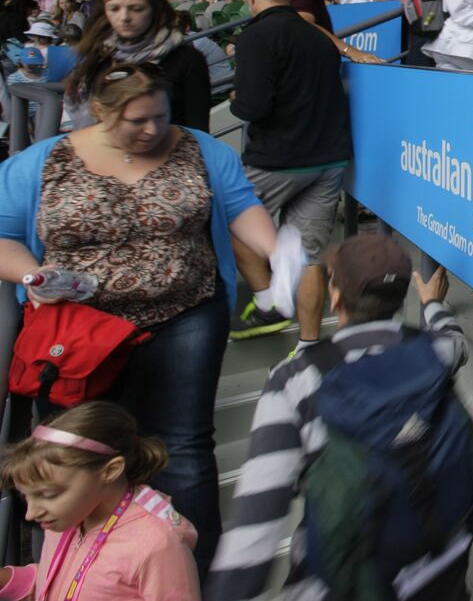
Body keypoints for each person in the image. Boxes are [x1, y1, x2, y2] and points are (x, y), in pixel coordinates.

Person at [0, 64, 279, 578]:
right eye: (136, 121)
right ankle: (75, 573)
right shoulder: (44, 161)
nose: (152, 130)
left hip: (186, 314)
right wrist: (35, 275)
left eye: (160, 117)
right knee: (72, 451)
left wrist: (279, 254)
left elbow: (241, 206)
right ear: (102, 112)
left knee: (186, 444)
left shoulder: (200, 149)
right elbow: (4, 233)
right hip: (79, 333)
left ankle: (192, 573)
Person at [207, 235, 471, 601]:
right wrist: (431, 304)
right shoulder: (436, 353)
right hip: (435, 577)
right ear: (397, 299)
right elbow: (454, 338)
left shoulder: (293, 380)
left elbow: (257, 530)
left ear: (334, 297)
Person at [228, 0, 352, 346]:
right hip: (328, 158)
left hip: (276, 160)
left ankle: (270, 302)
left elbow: (254, 106)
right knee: (312, 256)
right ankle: (309, 346)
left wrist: (236, 102)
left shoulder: (255, 36)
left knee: (231, 222)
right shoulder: (319, 37)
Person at [0, 402, 198, 599]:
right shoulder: (65, 517)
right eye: (26, 496)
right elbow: (58, 584)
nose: (31, 513)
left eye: (49, 495)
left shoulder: (158, 544)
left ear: (110, 471)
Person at [66, 0, 211, 131]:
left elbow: (198, 131)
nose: (124, 17)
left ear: (154, 9)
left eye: (137, 8)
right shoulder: (98, 56)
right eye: (114, 8)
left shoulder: (187, 59)